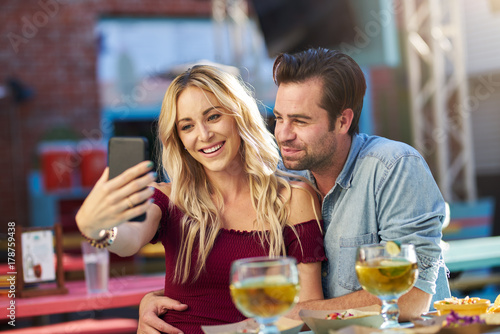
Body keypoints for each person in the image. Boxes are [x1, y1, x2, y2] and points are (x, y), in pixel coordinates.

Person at [137, 48, 451, 333]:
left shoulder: (393, 166)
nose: (284, 135)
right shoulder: (287, 176)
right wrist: (160, 298)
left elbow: (410, 300)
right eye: (279, 119)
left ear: (342, 121)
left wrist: (297, 310)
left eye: (299, 121)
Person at [75, 65, 326, 334]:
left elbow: (309, 307)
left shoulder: (293, 199)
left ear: (238, 115)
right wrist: (97, 229)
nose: (204, 135)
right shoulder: (168, 199)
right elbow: (128, 240)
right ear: (179, 139)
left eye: (213, 116)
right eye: (187, 126)